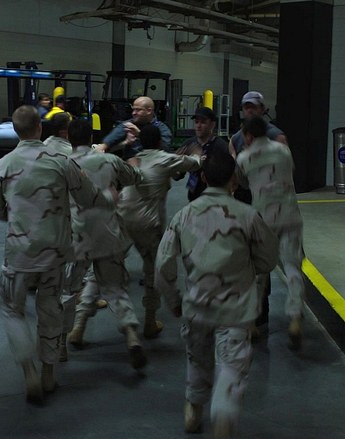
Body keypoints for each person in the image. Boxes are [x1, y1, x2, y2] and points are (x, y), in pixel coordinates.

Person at [0, 105, 115, 404]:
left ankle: (28, 370)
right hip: (55, 251)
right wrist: (109, 197)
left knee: (13, 310)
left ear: (15, 130)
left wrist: (19, 219)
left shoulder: (2, 165)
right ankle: (48, 372)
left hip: (20, 252)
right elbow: (88, 196)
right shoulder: (61, 161)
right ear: (39, 128)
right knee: (50, 308)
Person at [155, 147, 278, 439]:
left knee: (197, 359)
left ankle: (193, 410)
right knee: (232, 364)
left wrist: (173, 300)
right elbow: (268, 259)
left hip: (196, 305)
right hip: (235, 309)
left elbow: (162, 266)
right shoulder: (248, 216)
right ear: (234, 180)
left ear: (203, 177)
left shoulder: (184, 215)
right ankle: (222, 413)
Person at [62, 118, 146, 370]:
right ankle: (131, 335)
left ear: (68, 138)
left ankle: (66, 337)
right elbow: (135, 177)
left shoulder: (62, 164)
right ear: (91, 137)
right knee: (114, 286)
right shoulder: (109, 160)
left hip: (77, 236)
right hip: (108, 232)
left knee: (68, 291)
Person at [117, 123, 201, 339]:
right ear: (159, 141)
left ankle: (80, 322)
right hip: (148, 224)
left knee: (108, 268)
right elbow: (195, 163)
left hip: (123, 219)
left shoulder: (134, 160)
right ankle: (150, 321)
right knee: (153, 270)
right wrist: (196, 152)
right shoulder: (165, 158)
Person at [237, 116, 306, 349]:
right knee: (293, 267)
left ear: (248, 136)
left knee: (258, 272)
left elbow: (242, 183)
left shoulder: (244, 158)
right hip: (290, 215)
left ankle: (251, 323)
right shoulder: (283, 151)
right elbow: (291, 171)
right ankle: (295, 317)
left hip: (263, 219)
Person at [228, 91, 288, 331]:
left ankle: (260, 314)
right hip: (244, 204)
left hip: (266, 206)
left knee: (261, 260)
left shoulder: (276, 136)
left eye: (253, 106)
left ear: (263, 109)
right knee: (243, 257)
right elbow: (234, 173)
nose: (249, 110)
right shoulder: (236, 138)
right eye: (246, 107)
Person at [174, 107, 229, 201]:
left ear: (212, 124)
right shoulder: (189, 144)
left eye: (203, 122)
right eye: (196, 122)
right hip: (194, 197)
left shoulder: (220, 146)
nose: (198, 126)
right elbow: (177, 176)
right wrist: (176, 165)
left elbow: (226, 175)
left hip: (215, 198)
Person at [96, 96, 172, 159]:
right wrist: (104, 146)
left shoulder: (161, 128)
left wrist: (139, 134)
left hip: (152, 163)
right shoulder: (130, 124)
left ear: (149, 111)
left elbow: (165, 150)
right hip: (130, 165)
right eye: (133, 109)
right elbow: (112, 137)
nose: (133, 113)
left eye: (138, 110)